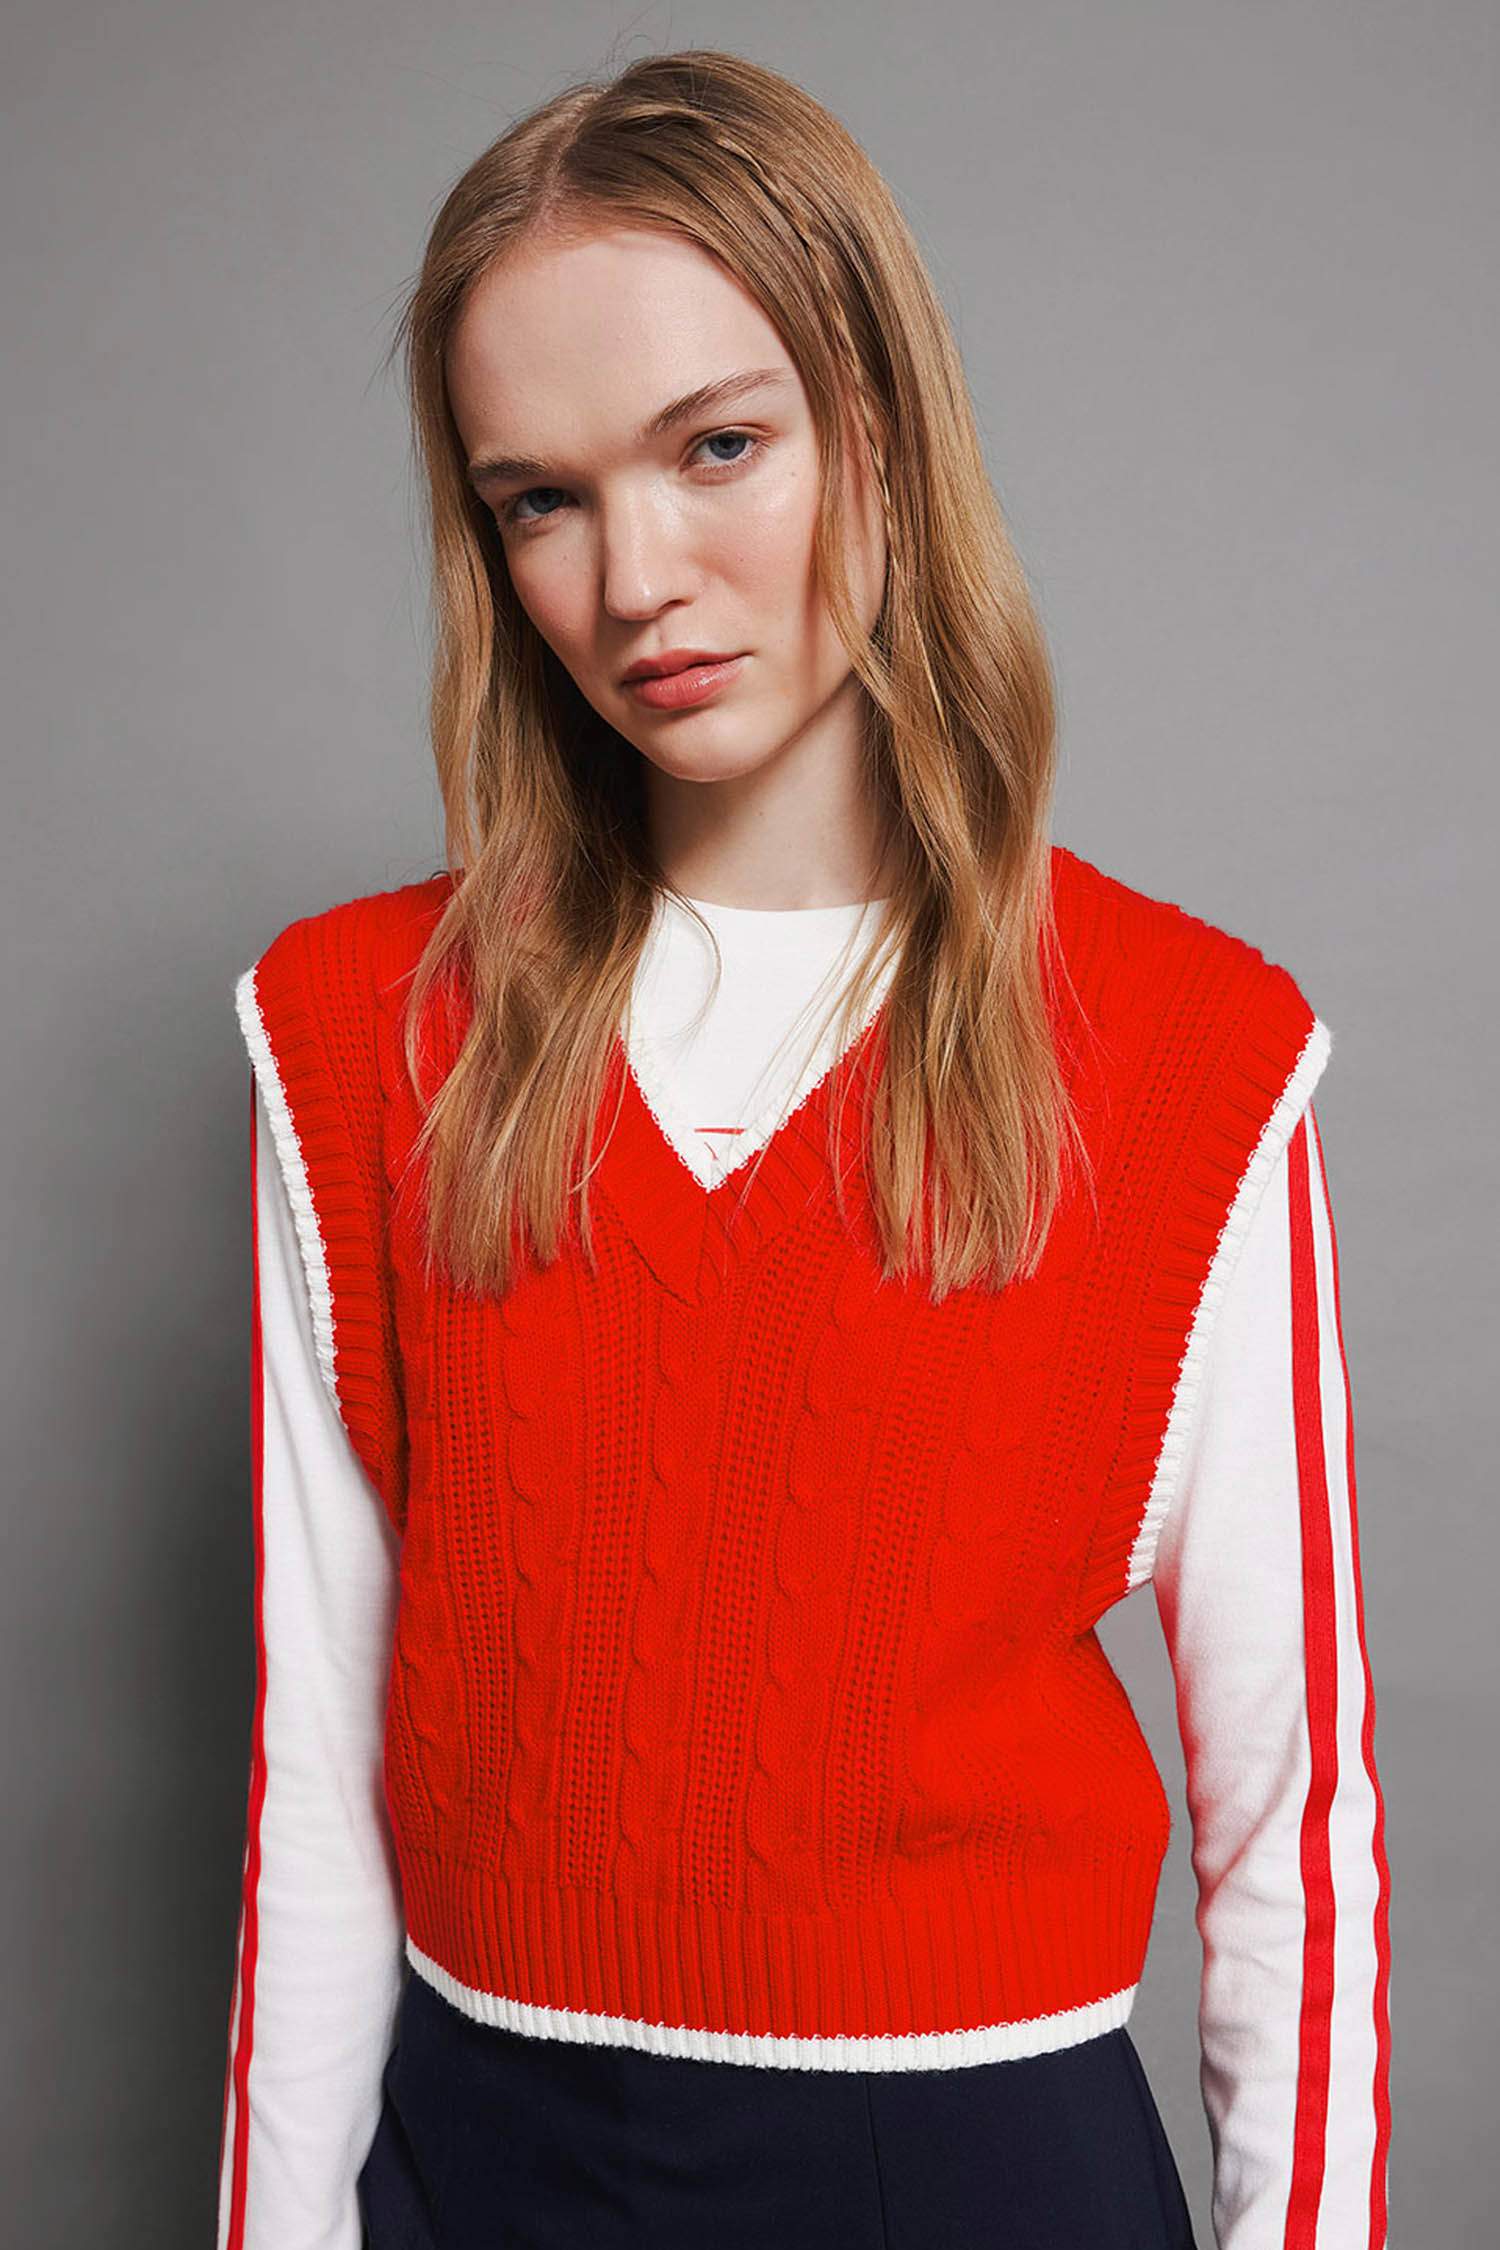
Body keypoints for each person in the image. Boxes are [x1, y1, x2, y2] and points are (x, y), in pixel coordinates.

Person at [214, 47, 1392, 2250]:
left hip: (981, 2173)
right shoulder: (358, 1031)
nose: (636, 579)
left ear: (881, 428)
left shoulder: (1193, 1053)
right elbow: (318, 1793)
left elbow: (1293, 1830)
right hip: (483, 2160)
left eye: (717, 448)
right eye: (538, 500)